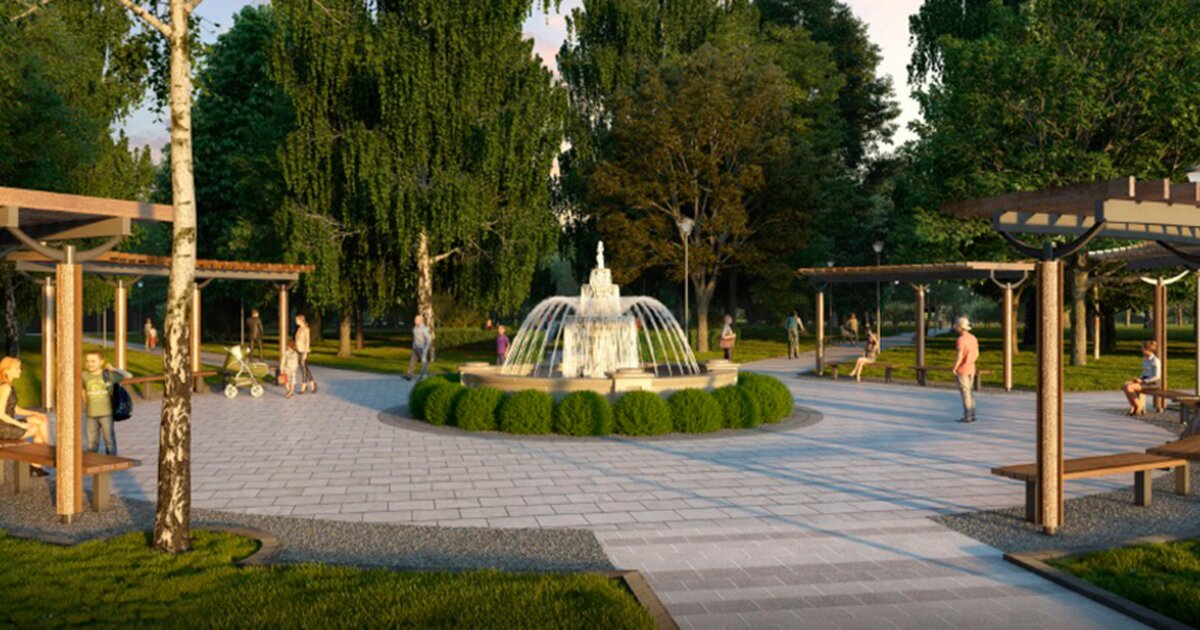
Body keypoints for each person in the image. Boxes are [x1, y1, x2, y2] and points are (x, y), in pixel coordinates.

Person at [0, 357, 50, 475]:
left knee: (40, 419)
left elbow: (15, 408)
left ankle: (40, 460)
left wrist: (34, 413)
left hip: (7, 424)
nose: (20, 371)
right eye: (17, 368)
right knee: (37, 428)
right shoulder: (5, 388)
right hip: (3, 428)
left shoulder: (8, 385)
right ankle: (45, 455)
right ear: (6, 370)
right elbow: (1, 414)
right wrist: (21, 425)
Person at [82, 351, 131, 456]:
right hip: (91, 414)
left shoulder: (108, 375)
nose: (90, 364)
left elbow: (128, 375)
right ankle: (92, 459)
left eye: (93, 361)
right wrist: (85, 402)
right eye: (88, 361)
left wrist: (113, 369)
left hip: (106, 413)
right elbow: (82, 388)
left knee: (109, 439)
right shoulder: (84, 375)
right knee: (92, 441)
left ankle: (112, 459)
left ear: (101, 362)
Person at [953, 316, 980, 423]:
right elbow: (977, 353)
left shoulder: (961, 340)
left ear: (961, 327)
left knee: (965, 393)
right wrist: (971, 361)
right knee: (970, 392)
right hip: (971, 368)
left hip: (962, 369)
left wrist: (955, 367)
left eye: (956, 326)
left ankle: (967, 416)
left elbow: (959, 356)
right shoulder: (973, 338)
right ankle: (972, 414)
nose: (955, 328)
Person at [1122, 341, 1161, 416]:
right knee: (1124, 385)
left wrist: (1143, 381)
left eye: (1142, 348)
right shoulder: (1145, 359)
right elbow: (1144, 372)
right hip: (1143, 380)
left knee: (1129, 387)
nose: (1141, 350)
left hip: (1152, 383)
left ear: (1148, 350)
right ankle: (1133, 405)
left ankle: (1138, 406)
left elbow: (1157, 377)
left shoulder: (1155, 361)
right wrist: (1138, 379)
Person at [295, 314, 317, 394]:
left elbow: (307, 342)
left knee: (303, 368)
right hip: (298, 350)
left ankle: (304, 385)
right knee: (304, 368)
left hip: (304, 350)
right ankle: (312, 382)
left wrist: (305, 353)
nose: (296, 321)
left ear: (301, 320)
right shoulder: (299, 329)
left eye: (297, 320)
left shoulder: (306, 329)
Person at [406, 314, 432, 382]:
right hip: (415, 348)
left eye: (416, 319)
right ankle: (409, 374)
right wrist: (413, 346)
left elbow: (428, 339)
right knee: (412, 361)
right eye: (415, 319)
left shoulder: (424, 329)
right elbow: (414, 338)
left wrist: (425, 350)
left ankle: (424, 375)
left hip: (422, 348)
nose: (414, 320)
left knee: (423, 362)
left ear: (420, 320)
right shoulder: (415, 328)